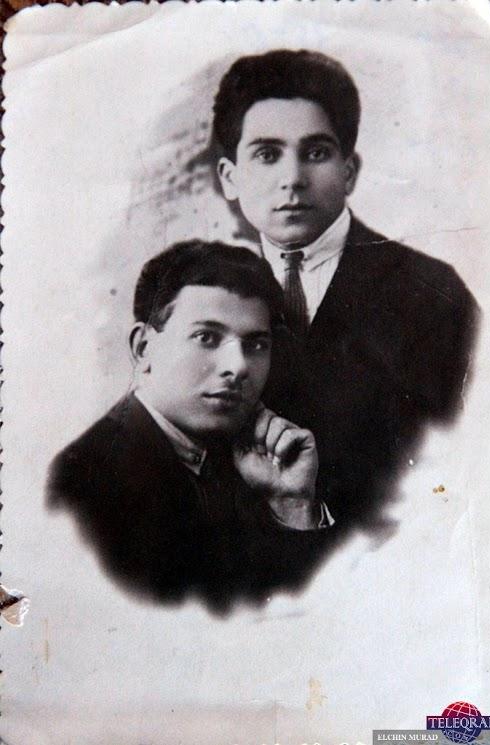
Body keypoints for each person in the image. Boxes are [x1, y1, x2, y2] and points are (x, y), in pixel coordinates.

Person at [212, 49, 479, 537]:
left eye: (316, 153)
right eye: (267, 155)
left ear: (350, 170)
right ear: (230, 178)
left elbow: (464, 471)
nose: (292, 179)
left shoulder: (434, 296)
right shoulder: (205, 296)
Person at [47, 240, 333, 613]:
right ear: (143, 348)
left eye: (255, 344)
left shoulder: (247, 462)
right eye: (206, 337)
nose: (238, 366)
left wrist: (292, 503)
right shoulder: (83, 484)